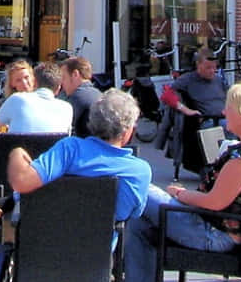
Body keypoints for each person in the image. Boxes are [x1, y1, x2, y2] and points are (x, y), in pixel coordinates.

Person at [123, 82, 241, 282]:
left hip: (216, 235)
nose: (224, 112)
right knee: (138, 228)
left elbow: (215, 202)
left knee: (140, 188)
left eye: (229, 108)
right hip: (220, 227)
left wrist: (181, 194)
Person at [8, 88, 151, 222]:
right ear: (126, 132)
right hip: (100, 246)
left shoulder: (69, 149)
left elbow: (22, 182)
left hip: (47, 238)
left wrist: (16, 153)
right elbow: (129, 214)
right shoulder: (139, 171)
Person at [172, 48, 231, 174]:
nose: (212, 71)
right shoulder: (187, 79)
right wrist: (186, 110)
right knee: (223, 128)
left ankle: (233, 168)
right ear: (198, 65)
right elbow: (167, 95)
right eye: (208, 67)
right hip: (206, 120)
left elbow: (230, 96)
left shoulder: (219, 80)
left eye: (214, 68)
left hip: (225, 118)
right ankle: (214, 171)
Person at [0, 60, 74, 133]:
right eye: (18, 80)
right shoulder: (9, 101)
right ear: (12, 84)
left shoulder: (50, 102)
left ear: (34, 79)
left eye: (26, 77)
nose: (24, 83)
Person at [61, 55, 103, 138]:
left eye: (63, 77)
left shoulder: (77, 97)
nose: (61, 83)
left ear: (75, 74)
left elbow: (59, 127)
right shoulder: (98, 94)